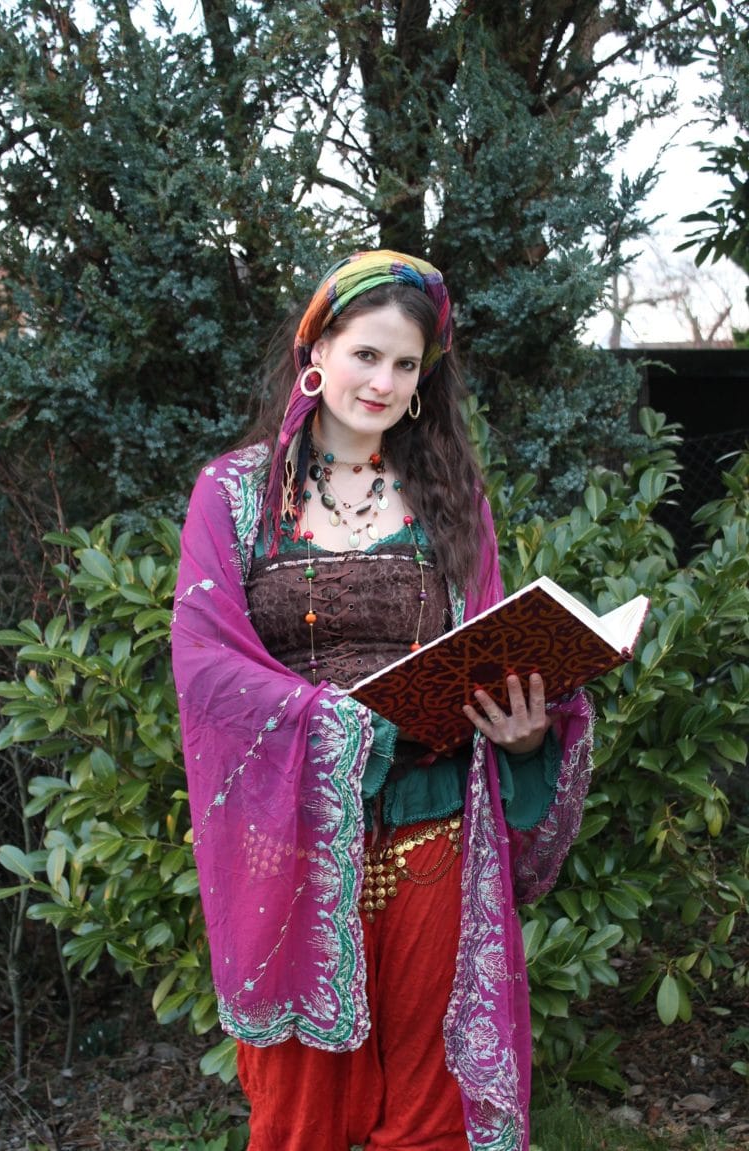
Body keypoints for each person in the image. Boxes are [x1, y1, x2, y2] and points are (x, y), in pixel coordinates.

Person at [171, 250, 594, 1151]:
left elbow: (489, 647)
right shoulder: (235, 494)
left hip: (435, 835)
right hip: (289, 849)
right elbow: (204, 664)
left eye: (407, 365)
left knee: (433, 1117)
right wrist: (343, 726)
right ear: (316, 349)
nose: (384, 382)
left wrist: (525, 738)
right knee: (299, 1119)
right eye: (366, 354)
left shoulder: (450, 496)